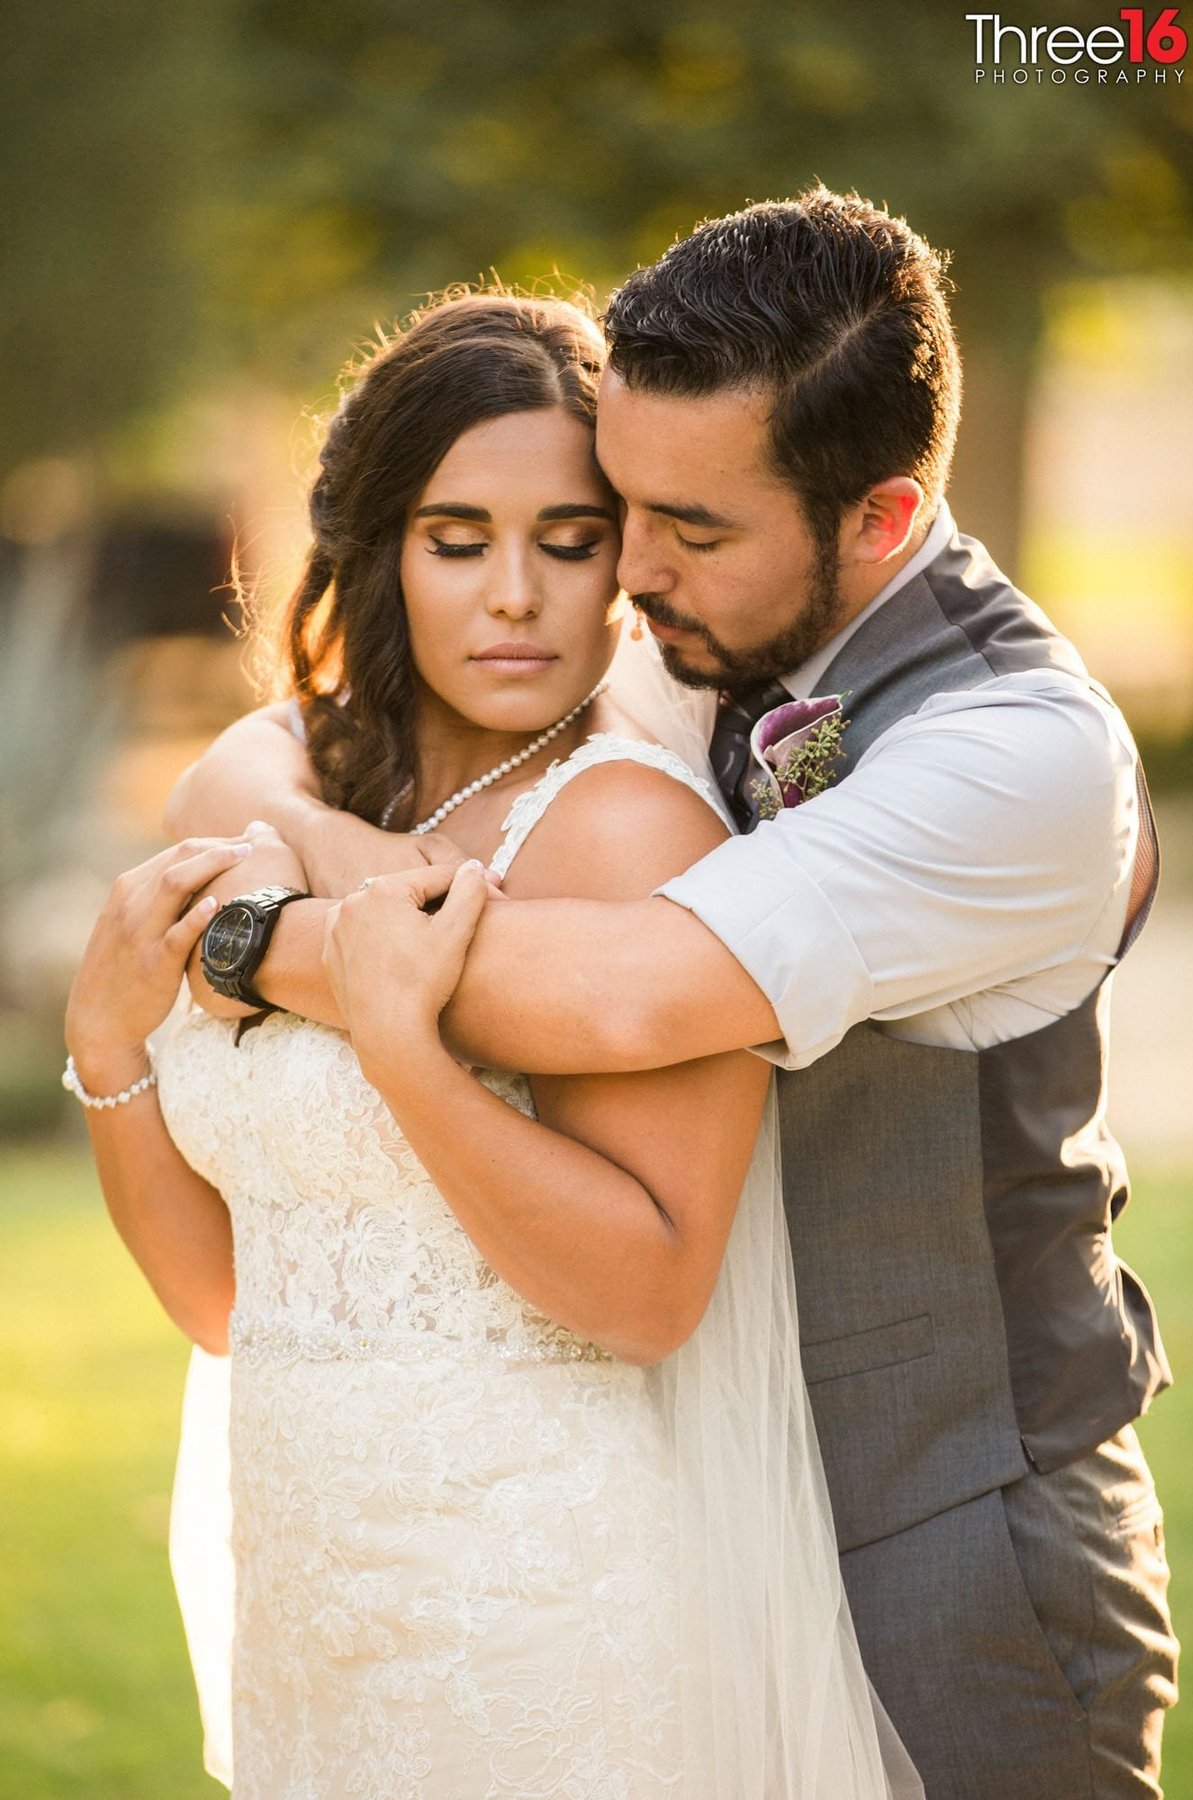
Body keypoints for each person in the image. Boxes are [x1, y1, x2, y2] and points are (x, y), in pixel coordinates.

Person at [174, 190, 1181, 1798]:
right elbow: (267, 742)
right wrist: (288, 832)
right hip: (689, 1497)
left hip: (948, 1522)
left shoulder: (1020, 755)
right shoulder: (699, 612)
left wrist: (246, 945)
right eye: (621, 511)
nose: (622, 572)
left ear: (878, 514)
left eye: (685, 528)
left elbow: (616, 1000)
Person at [65, 291, 916, 1798]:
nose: (515, 595)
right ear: (381, 549)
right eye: (459, 540)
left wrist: (406, 1047)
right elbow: (219, 1298)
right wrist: (107, 1051)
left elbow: (650, 1295)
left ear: (628, 556)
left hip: (544, 1615)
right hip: (316, 1609)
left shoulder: (625, 832)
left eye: (569, 539)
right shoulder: (289, 793)